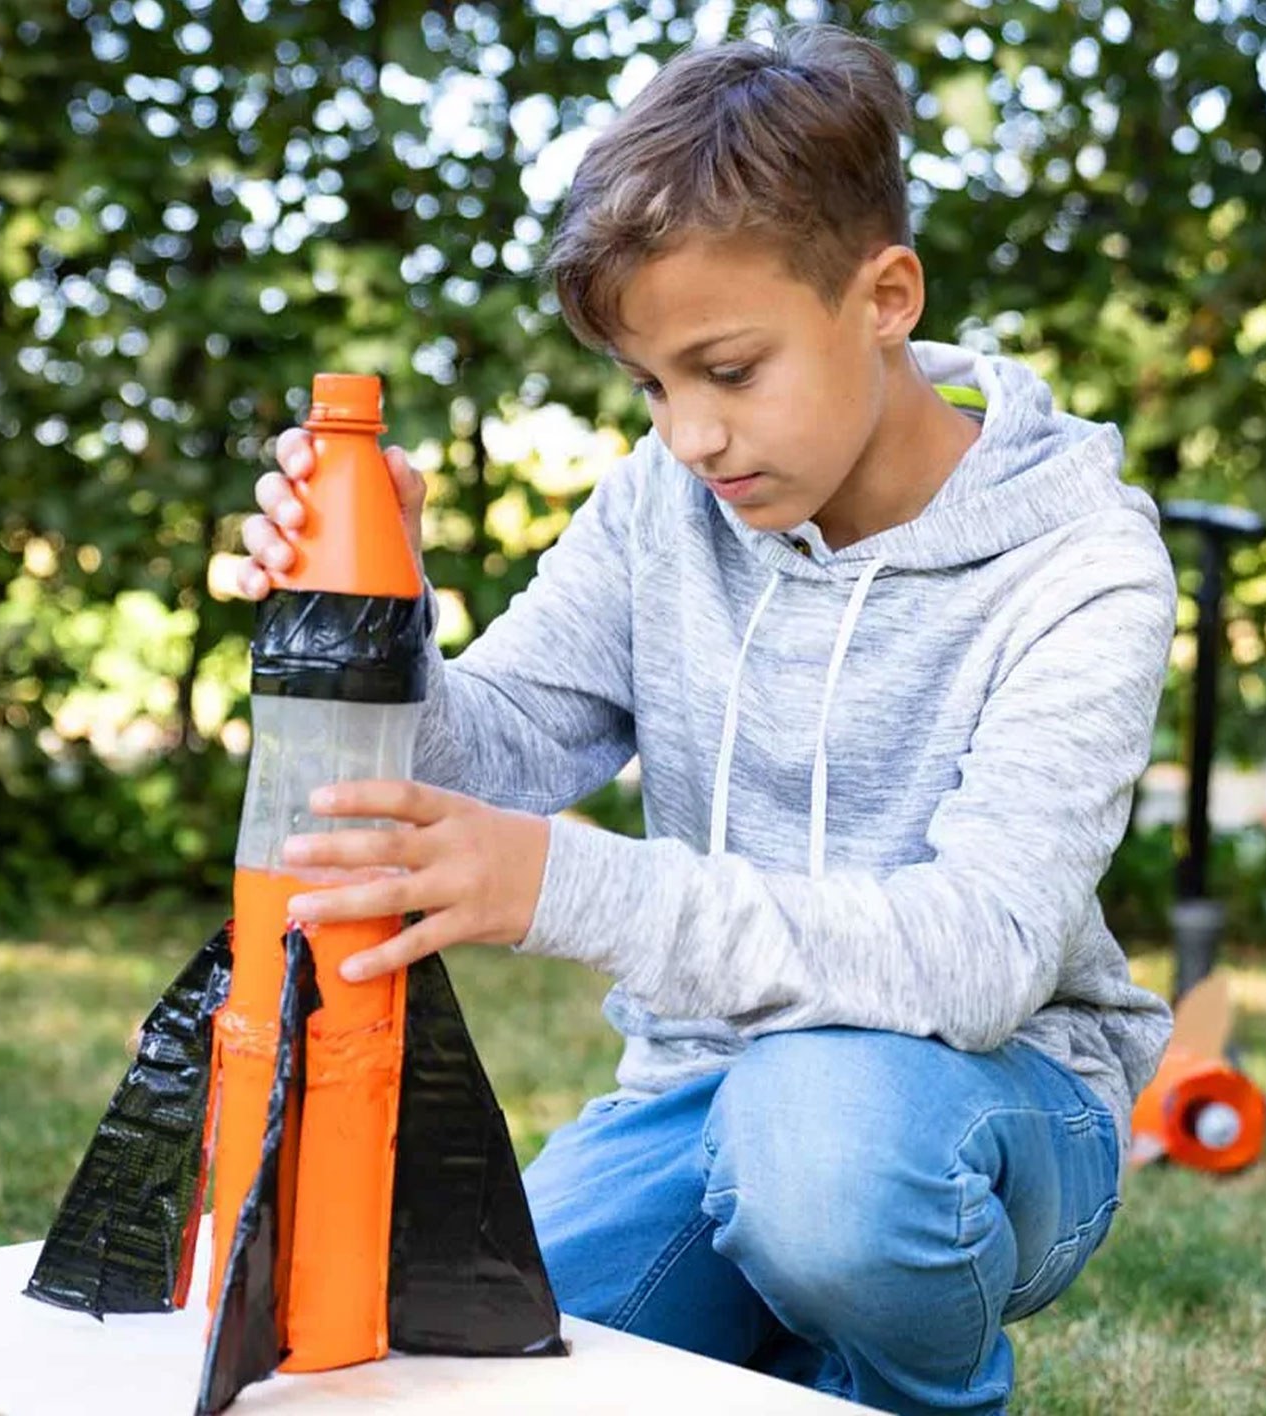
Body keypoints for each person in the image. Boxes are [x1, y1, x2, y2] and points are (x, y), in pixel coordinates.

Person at [233, 24, 1175, 1416]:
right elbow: (495, 749)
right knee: (464, 1363)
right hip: (698, 1093)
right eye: (653, 387)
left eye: (729, 371)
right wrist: (380, 611)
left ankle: (918, 1386)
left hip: (976, 1103)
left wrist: (565, 882)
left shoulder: (1082, 564)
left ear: (887, 297)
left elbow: (979, 958)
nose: (692, 438)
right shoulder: (665, 504)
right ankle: (779, 1337)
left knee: (824, 1162)